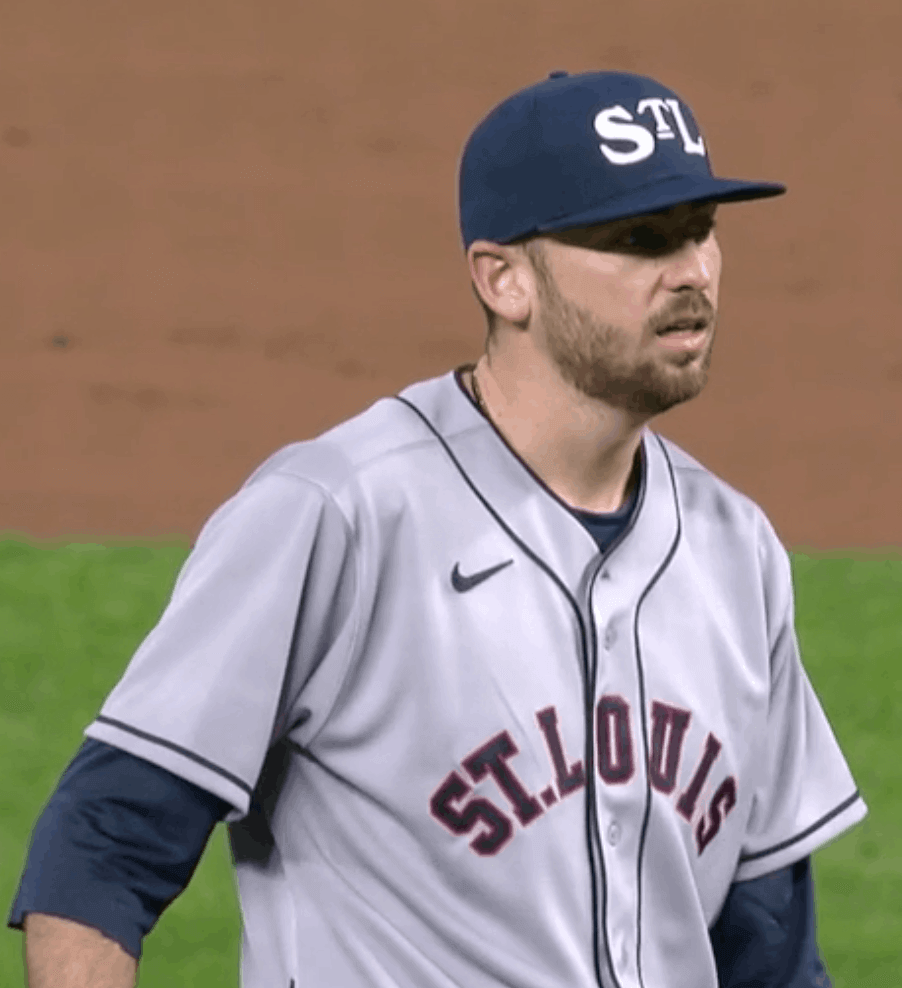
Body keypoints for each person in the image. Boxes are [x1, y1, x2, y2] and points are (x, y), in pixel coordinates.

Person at [9, 70, 865, 988]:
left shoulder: (738, 551)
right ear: (505, 280)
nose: (691, 270)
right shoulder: (339, 512)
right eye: (637, 240)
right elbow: (103, 847)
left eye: (701, 231)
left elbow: (768, 942)